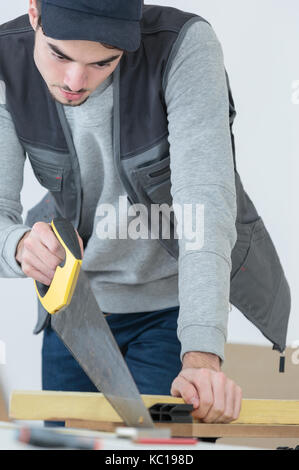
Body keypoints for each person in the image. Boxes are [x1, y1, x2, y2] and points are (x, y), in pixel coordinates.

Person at [0, 0, 242, 424]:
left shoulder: (183, 47)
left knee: (151, 452)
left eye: (104, 62)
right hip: (74, 310)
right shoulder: (5, 59)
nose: (76, 81)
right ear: (34, 12)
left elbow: (204, 206)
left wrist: (201, 354)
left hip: (171, 312)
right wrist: (17, 244)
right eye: (59, 54)